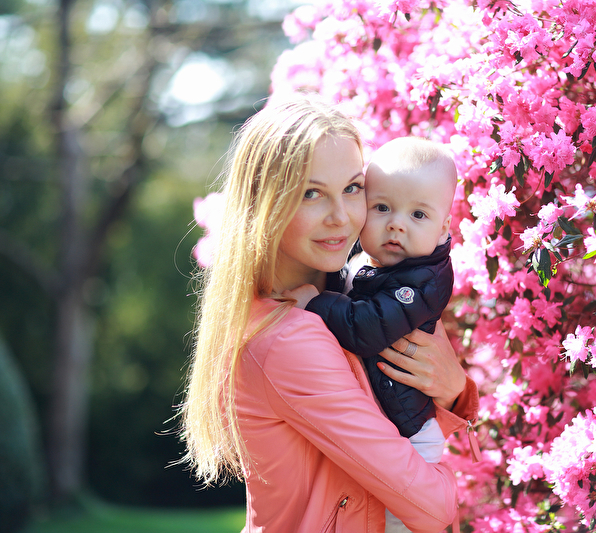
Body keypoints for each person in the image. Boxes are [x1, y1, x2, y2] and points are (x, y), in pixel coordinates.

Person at [178, 95, 478, 533]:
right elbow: (434, 508)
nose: (341, 217)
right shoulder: (292, 336)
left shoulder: (357, 289)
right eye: (312, 193)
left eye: (353, 188)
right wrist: (448, 470)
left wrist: (453, 390)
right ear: (266, 205)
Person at [286, 136, 457, 459]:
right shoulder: (368, 261)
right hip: (385, 417)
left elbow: (366, 327)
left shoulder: (423, 281)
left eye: (418, 215)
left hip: (412, 432)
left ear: (443, 228)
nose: (396, 225)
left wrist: (314, 302)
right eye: (382, 208)